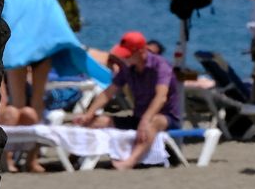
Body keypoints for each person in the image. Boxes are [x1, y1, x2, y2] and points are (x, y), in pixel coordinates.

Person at [0, 0, 112, 126]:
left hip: (16, 53)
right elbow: (57, 22)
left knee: (17, 103)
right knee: (38, 102)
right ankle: (32, 152)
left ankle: (11, 150)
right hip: (44, 52)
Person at [73, 30, 182, 169]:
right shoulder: (128, 68)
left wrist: (145, 119)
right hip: (138, 116)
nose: (125, 58)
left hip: (167, 118)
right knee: (95, 121)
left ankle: (130, 161)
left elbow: (161, 97)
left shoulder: (161, 66)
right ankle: (74, 158)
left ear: (141, 51)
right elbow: (108, 93)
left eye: (128, 55)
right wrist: (88, 114)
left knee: (153, 121)